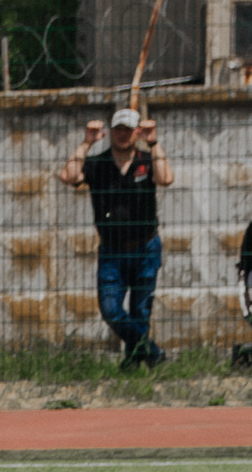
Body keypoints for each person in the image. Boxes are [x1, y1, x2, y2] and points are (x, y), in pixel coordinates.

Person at [59, 107, 173, 368]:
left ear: (137, 132)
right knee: (111, 310)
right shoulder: (98, 164)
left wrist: (154, 141)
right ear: (110, 132)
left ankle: (133, 362)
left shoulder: (147, 159)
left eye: (128, 130)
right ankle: (152, 352)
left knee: (141, 312)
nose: (123, 135)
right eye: (118, 129)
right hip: (112, 250)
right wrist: (86, 143)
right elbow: (68, 176)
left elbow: (166, 178)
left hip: (145, 246)